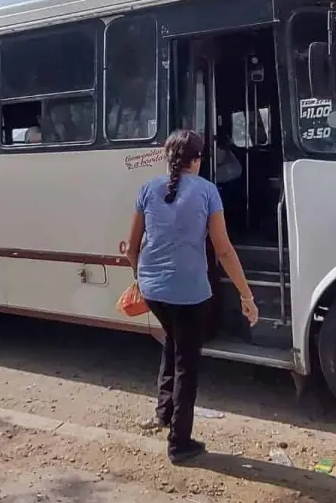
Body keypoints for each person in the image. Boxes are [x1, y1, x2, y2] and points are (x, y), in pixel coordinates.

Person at [124, 129, 258, 464]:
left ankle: (164, 411)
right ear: (197, 160)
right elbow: (224, 251)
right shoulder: (207, 191)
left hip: (153, 290)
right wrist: (247, 296)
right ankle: (179, 444)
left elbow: (131, 248)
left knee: (172, 341)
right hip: (189, 294)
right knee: (187, 365)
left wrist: (141, 278)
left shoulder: (146, 189)